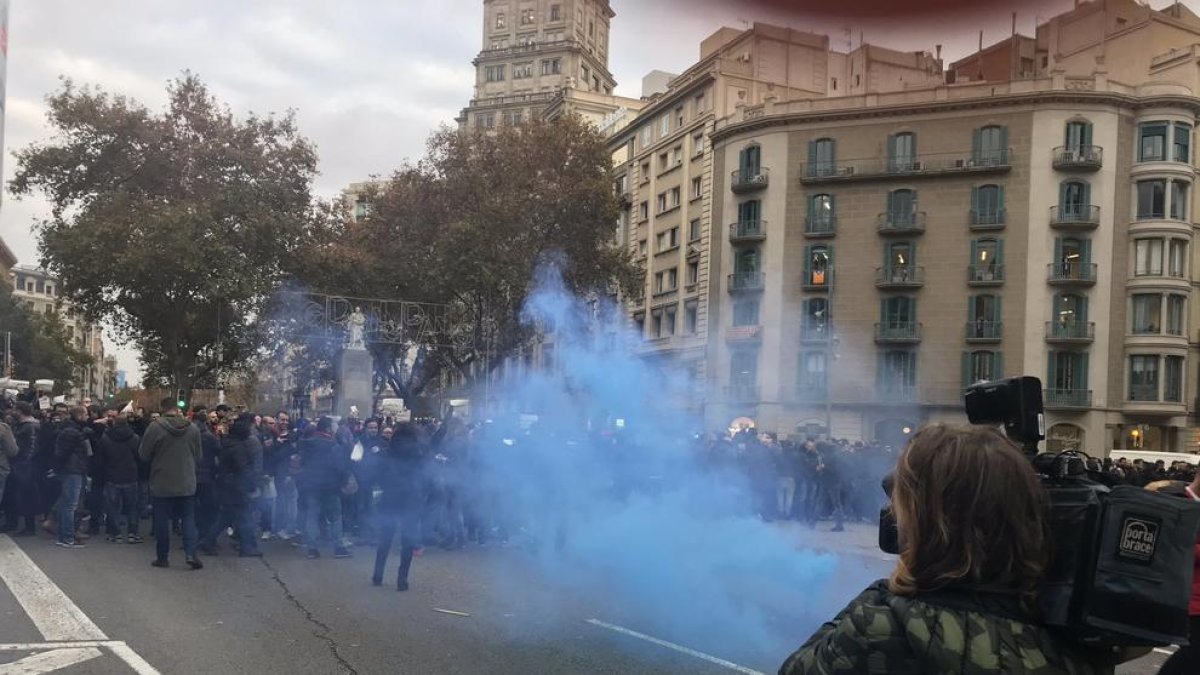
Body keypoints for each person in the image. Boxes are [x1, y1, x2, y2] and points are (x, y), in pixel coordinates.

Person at [779, 424, 1114, 674]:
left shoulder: (882, 625)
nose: (892, 514)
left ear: (926, 522)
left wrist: (889, 590)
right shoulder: (1077, 640)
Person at [138, 397, 203, 570]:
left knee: (161, 520)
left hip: (162, 480)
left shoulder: (154, 427)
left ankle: (162, 557)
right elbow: (199, 456)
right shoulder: (193, 428)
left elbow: (144, 454)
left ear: (162, 408)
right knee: (188, 518)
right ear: (177, 408)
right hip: (186, 480)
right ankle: (191, 554)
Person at [199, 413, 261, 557]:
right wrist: (251, 483)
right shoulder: (238, 448)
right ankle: (246, 547)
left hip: (227, 486)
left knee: (226, 516)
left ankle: (208, 540)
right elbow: (242, 468)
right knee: (244, 516)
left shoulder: (228, 444)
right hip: (236, 487)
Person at [373, 422, 425, 590]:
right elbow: (425, 476)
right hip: (411, 499)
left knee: (385, 537)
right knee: (407, 540)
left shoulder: (387, 452)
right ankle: (402, 580)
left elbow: (378, 474)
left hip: (390, 497)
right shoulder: (419, 453)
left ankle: (377, 575)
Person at [298, 416, 352, 559]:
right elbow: (341, 467)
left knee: (312, 516)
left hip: (312, 485)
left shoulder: (307, 444)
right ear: (328, 429)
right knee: (335, 516)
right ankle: (338, 547)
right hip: (331, 487)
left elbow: (302, 463)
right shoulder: (334, 446)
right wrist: (344, 482)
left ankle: (312, 549)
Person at [97, 414, 142, 543]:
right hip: (130, 475)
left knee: (113, 507)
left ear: (114, 423)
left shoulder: (106, 438)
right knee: (133, 506)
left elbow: (101, 458)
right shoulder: (135, 438)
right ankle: (132, 533)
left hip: (112, 475)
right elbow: (139, 457)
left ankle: (115, 534)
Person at [53, 406, 93, 549]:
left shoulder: (70, 429)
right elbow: (65, 452)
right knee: (70, 505)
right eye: (86, 414)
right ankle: (68, 537)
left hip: (71, 469)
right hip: (73, 469)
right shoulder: (73, 431)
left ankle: (62, 536)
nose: (88, 417)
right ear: (79, 415)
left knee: (66, 504)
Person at [7, 402, 41, 536]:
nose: (12, 412)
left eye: (15, 410)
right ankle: (14, 523)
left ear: (20, 411)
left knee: (26, 496)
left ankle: (29, 527)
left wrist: (24, 462)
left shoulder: (30, 426)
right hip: (21, 464)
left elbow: (32, 447)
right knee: (18, 495)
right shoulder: (23, 425)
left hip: (25, 465)